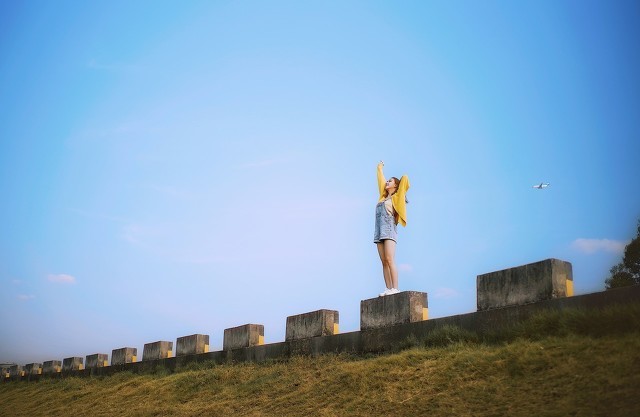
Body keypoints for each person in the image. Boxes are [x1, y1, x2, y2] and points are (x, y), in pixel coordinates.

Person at [374, 160, 410, 296]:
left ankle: (395, 288)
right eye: (387, 181)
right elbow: (380, 181)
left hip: (389, 230)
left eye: (390, 181)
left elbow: (405, 179)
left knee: (390, 259)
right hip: (378, 230)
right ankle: (388, 289)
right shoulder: (382, 197)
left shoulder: (397, 198)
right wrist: (380, 169)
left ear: (396, 186)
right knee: (383, 262)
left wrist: (399, 183)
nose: (387, 183)